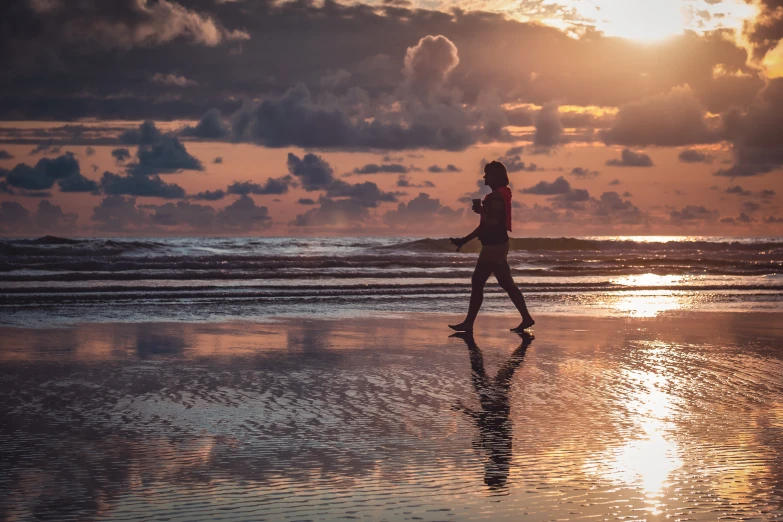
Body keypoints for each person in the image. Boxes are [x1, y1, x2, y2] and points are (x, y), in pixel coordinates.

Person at [449, 161, 535, 333]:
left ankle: (468, 323)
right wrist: (464, 240)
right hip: (498, 245)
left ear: (495, 176)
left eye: (487, 174)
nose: (484, 177)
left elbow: (493, 221)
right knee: (506, 284)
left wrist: (482, 211)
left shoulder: (496, 197)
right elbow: (485, 225)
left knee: (478, 281)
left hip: (493, 247)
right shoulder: (498, 195)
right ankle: (526, 318)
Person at [451, 331, 534, 490]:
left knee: (500, 373)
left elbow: (486, 424)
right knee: (495, 373)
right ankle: (524, 342)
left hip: (497, 407)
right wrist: (463, 409)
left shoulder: (500, 456)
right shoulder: (498, 453)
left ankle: (524, 343)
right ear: (493, 472)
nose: (485, 470)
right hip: (494, 405)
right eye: (487, 473)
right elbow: (484, 422)